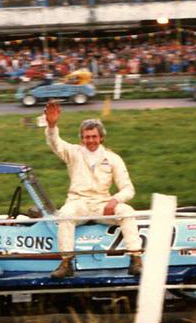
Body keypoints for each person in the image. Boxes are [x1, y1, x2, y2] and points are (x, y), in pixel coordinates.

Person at [44, 100, 143, 279]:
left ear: (101, 137)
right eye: (86, 137)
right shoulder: (73, 152)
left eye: (94, 137)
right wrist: (52, 125)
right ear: (81, 138)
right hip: (78, 203)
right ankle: (66, 263)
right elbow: (55, 143)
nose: (90, 140)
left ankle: (135, 260)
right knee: (65, 214)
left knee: (127, 212)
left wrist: (115, 200)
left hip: (102, 205)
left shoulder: (113, 158)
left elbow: (128, 189)